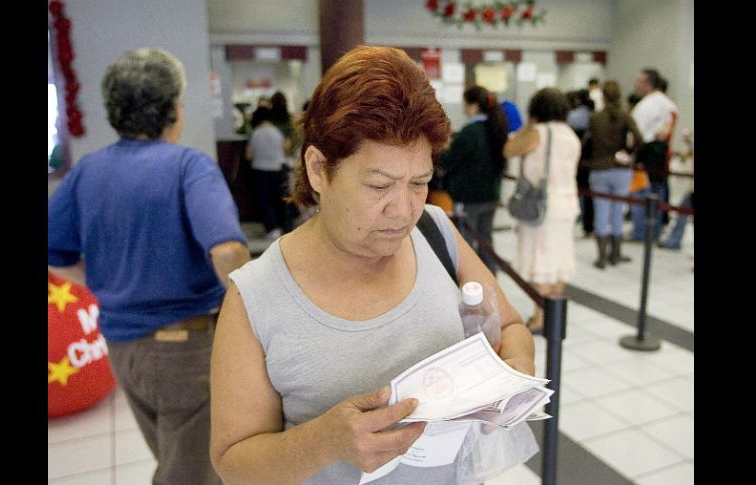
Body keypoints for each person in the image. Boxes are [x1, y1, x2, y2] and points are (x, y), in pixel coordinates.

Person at [210, 45, 537, 484]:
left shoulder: (435, 231)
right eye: (378, 185)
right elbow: (233, 463)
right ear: (318, 170)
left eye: (419, 183)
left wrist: (513, 369)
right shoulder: (256, 296)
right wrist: (322, 441)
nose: (403, 210)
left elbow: (512, 327)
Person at [47, 48, 251, 485]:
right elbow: (228, 250)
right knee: (192, 472)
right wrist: (254, 308)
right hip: (185, 348)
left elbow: (54, 252)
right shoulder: (188, 166)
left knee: (172, 451)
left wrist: (102, 284)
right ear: (174, 108)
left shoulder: (87, 171)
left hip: (122, 349)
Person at [503, 88, 581, 333]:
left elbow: (509, 149)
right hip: (567, 203)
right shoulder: (570, 135)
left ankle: (541, 316)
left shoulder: (539, 132)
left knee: (540, 260)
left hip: (542, 207)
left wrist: (528, 124)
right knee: (559, 258)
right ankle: (556, 311)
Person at [440, 85, 510, 274]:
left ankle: (469, 282)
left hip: (469, 197)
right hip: (491, 195)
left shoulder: (470, 132)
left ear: (472, 106)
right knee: (486, 240)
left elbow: (448, 162)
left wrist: (446, 149)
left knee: (465, 244)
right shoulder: (497, 128)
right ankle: (490, 277)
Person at [585, 80, 644, 268]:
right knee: (617, 212)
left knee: (601, 212)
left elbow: (590, 142)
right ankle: (616, 254)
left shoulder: (595, 117)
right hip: (620, 168)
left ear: (602, 96)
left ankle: (602, 256)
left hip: (600, 167)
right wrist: (628, 152)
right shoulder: (625, 116)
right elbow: (639, 138)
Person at [628, 68, 678, 242]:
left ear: (648, 84)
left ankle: (641, 233)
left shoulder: (645, 106)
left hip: (647, 155)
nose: (636, 84)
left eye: (639, 81)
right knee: (658, 194)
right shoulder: (670, 104)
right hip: (661, 156)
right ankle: (653, 232)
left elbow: (636, 134)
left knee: (642, 195)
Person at [247, 105, 294, 239]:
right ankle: (288, 228)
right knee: (283, 201)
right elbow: (285, 149)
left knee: (265, 202)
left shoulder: (255, 133)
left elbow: (249, 155)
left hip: (260, 171)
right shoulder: (278, 132)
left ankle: (272, 230)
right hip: (278, 169)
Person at [566, 89, 595, 237]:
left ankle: (573, 220)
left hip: (576, 160)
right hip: (591, 160)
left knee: (575, 191)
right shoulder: (594, 115)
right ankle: (588, 225)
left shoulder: (573, 117)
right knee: (588, 193)